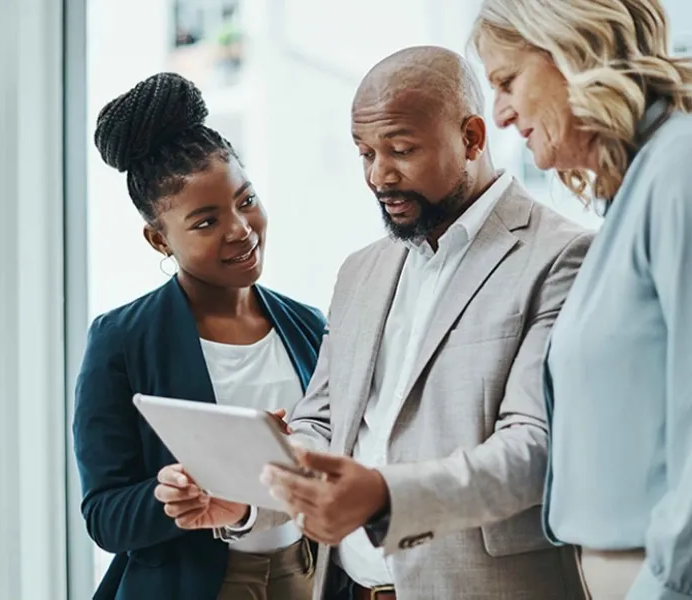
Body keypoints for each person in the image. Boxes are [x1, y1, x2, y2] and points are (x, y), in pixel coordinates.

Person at [159, 46, 592, 599]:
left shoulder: (562, 256)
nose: (379, 176)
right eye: (365, 153)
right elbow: (322, 426)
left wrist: (383, 494)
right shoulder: (360, 271)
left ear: (473, 138)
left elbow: (534, 450)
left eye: (401, 150)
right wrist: (245, 493)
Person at [470, 1, 692, 599]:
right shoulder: (642, 192)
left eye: (507, 81)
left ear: (573, 52)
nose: (501, 113)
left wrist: (667, 588)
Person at [73, 72, 325, 600]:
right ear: (158, 239)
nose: (240, 229)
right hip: (192, 585)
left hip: (308, 575)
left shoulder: (310, 327)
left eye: (246, 199)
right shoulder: (121, 340)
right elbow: (104, 515)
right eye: (206, 222)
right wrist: (175, 495)